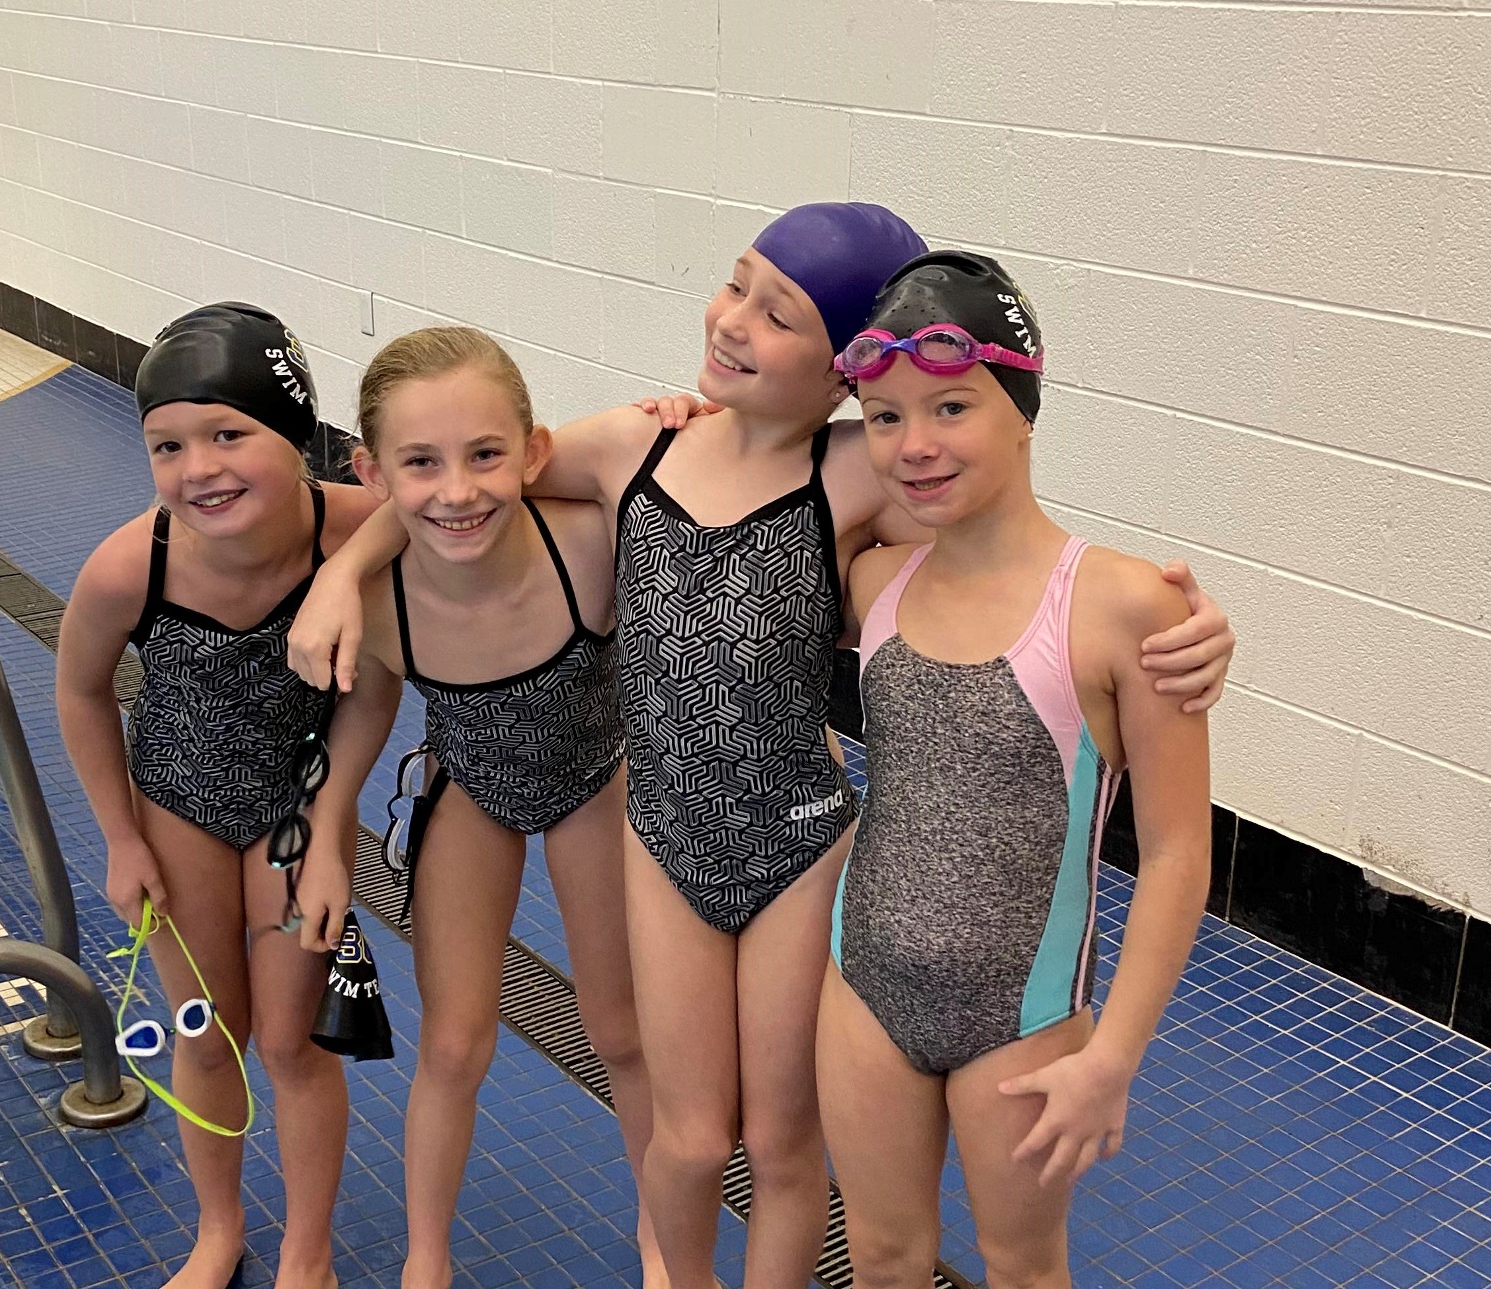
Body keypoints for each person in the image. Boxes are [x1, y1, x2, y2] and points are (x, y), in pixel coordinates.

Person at [288, 204, 1236, 1289]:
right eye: (736, 283)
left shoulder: (862, 468)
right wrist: (341, 570)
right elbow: (465, 480)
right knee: (691, 1139)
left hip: (801, 845)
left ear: (839, 371)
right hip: (663, 838)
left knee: (785, 1145)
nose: (733, 319)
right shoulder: (634, 444)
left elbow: (1000, 543)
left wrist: (1178, 626)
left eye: (777, 313)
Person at [819, 250, 1212, 1289]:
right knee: (880, 1256)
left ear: (1023, 408)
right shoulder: (873, 579)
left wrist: (1112, 1056)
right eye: (885, 417)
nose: (914, 444)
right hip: (859, 984)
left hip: (1025, 1016)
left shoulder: (1125, 606)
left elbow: (1177, 853)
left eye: (951, 406)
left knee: (1021, 1263)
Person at [55, 303, 397, 1289]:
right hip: (178, 806)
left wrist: (330, 828)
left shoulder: (356, 533)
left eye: (227, 433)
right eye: (167, 445)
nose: (198, 467)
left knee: (292, 1041)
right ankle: (218, 1230)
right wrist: (120, 838)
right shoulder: (134, 564)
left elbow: (375, 687)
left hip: (298, 808)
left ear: (296, 436)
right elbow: (79, 690)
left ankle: (307, 1250)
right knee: (207, 1036)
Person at [324, 325, 661, 1287]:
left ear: (534, 451)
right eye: (421, 463)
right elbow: (361, 717)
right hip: (469, 786)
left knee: (622, 1032)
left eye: (484, 455)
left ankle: (664, 1239)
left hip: (595, 779)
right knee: (453, 1041)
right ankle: (425, 1258)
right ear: (372, 472)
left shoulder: (589, 543)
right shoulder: (376, 600)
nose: (458, 490)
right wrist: (324, 844)